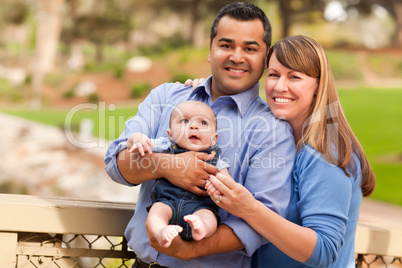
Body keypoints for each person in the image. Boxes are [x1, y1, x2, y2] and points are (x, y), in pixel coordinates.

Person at [104, 2, 296, 268]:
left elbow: (264, 220)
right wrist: (168, 165)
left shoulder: (273, 130)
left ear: (265, 58)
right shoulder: (166, 97)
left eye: (250, 48)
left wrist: (190, 250)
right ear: (210, 50)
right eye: (226, 45)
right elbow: (116, 164)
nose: (236, 57)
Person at [206, 35, 376, 268]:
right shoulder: (277, 140)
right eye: (274, 74)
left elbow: (324, 252)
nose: (279, 86)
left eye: (294, 77)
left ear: (318, 86)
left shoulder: (324, 153)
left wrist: (249, 209)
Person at [127, 100, 230, 248]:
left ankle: (201, 228)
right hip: (167, 202)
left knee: (210, 218)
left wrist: (221, 187)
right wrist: (137, 139)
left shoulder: (215, 159)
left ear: (214, 139)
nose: (193, 126)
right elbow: (131, 145)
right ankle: (161, 231)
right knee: (156, 214)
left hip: (200, 206)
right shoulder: (165, 146)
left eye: (203, 123)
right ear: (170, 134)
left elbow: (227, 183)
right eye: (185, 121)